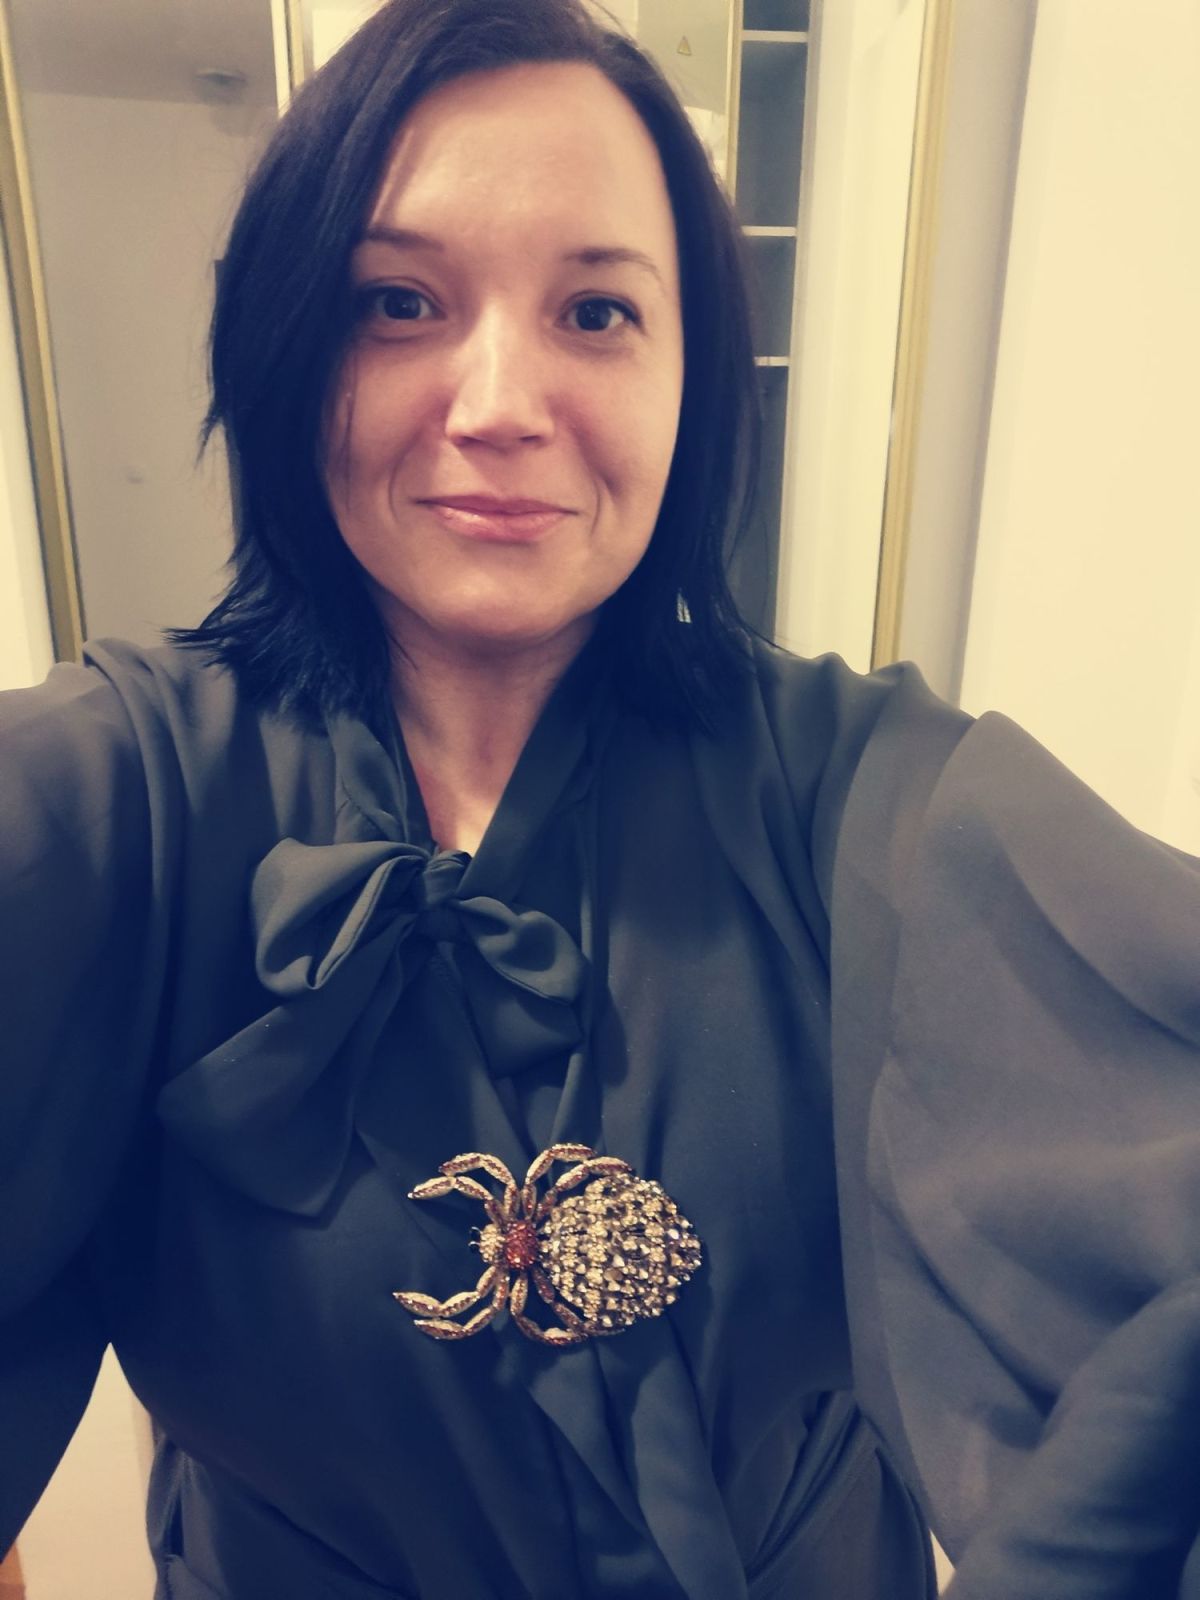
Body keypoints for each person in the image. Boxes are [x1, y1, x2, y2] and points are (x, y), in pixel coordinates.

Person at [2, 0, 1199, 1595]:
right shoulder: (128, 793)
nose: (500, 401)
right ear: (291, 347)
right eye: (400, 302)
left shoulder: (864, 797)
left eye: (597, 311)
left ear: (694, 376)